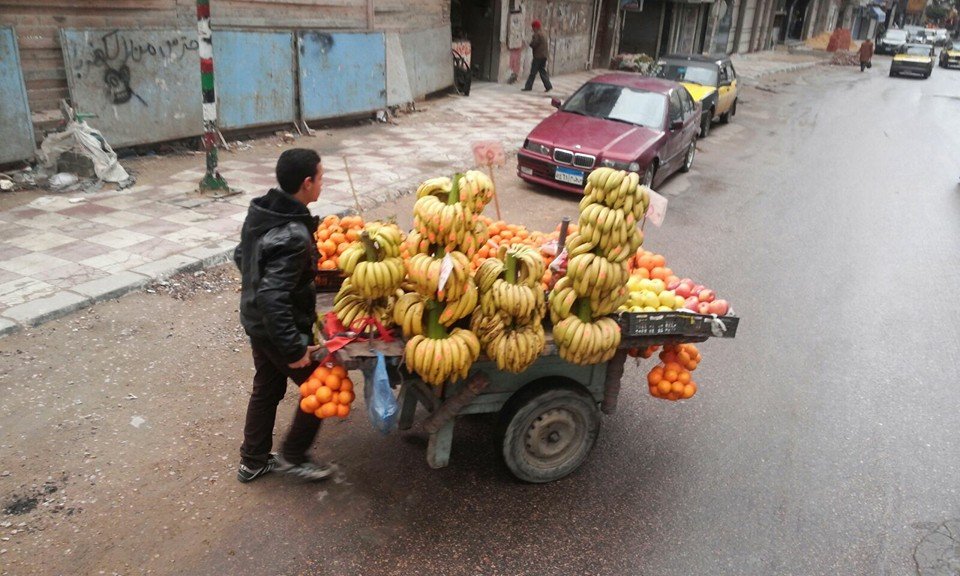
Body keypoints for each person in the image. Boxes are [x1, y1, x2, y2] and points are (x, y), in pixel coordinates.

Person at [233, 148, 332, 483]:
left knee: (267, 387)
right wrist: (293, 348)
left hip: (256, 321)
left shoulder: (264, 211)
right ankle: (294, 454)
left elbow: (242, 254)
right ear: (307, 183)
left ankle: (253, 461)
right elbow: (273, 296)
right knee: (322, 385)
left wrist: (257, 281)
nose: (323, 183)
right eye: (321, 177)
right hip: (274, 326)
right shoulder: (292, 234)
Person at [522, 20, 553, 93]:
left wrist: (530, 43)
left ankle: (528, 87)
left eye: (533, 27)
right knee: (542, 71)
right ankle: (548, 86)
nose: (532, 29)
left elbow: (534, 44)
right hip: (544, 56)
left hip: (538, 56)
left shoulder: (537, 34)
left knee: (533, 72)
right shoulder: (544, 33)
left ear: (535, 27)